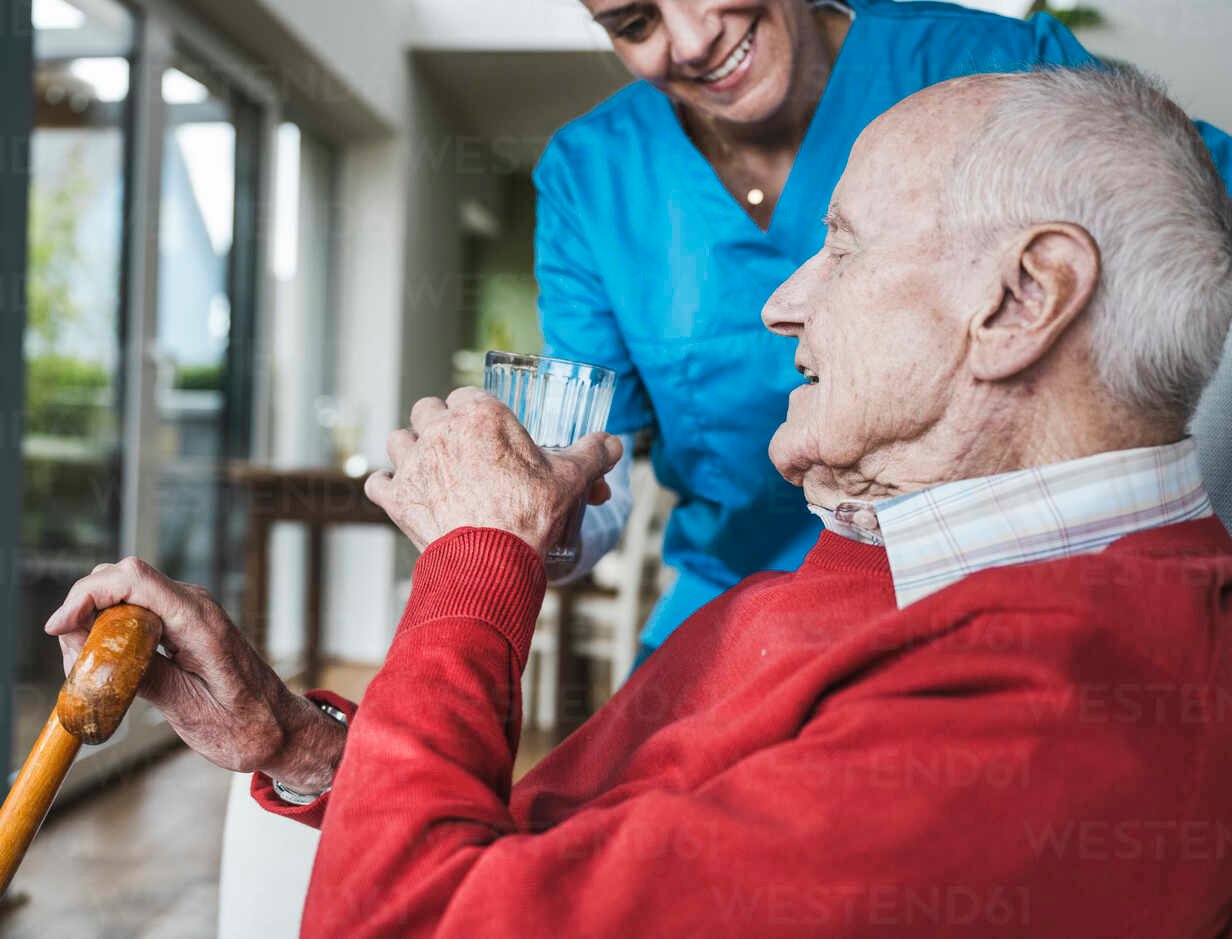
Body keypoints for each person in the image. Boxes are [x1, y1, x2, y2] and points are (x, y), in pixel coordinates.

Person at [46, 65, 1232, 934]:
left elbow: (411, 921)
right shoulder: (893, 562)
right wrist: (296, 743)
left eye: (847, 246)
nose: (781, 305)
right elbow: (552, 857)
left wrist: (476, 556)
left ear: (1025, 299)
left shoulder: (1040, 720)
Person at [547, 0, 1232, 661]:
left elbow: (1190, 240)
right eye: (636, 23)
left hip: (1013, 595)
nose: (692, 39)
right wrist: (529, 515)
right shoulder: (592, 174)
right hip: (736, 616)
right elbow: (590, 463)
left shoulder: (988, 66)